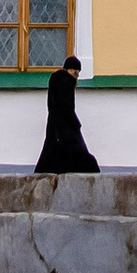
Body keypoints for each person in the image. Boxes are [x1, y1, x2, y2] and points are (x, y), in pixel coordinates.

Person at [34, 44, 98, 175]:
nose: (76, 75)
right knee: (79, 153)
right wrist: (75, 124)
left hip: (55, 127)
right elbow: (66, 107)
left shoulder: (57, 81)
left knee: (51, 154)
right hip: (66, 129)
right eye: (75, 72)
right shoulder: (66, 82)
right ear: (70, 70)